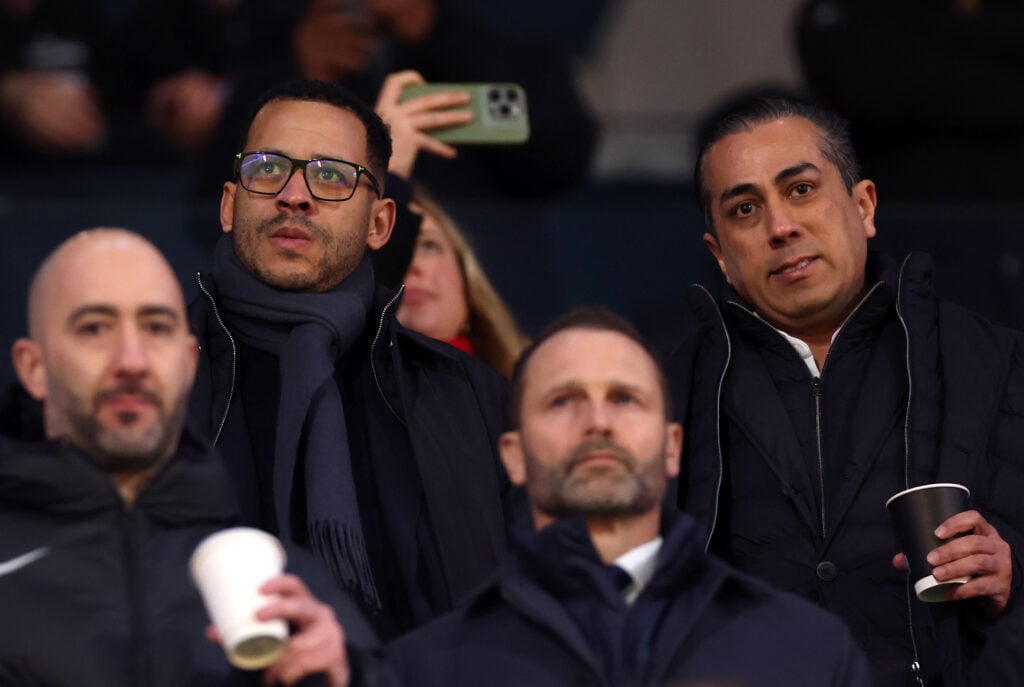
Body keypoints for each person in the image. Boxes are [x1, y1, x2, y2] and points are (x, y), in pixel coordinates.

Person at [672, 94, 1024, 686]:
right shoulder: (668, 393)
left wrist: (1013, 575)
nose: (781, 227)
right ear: (720, 255)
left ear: (863, 206)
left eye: (801, 189)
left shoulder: (999, 364)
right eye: (745, 209)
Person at [388, 307, 874, 687]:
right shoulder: (423, 671)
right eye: (563, 401)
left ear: (672, 447)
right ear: (513, 456)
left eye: (625, 399)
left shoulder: (808, 651)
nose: (598, 422)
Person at [187, 78, 515, 641]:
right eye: (268, 168)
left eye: (331, 176)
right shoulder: (161, 383)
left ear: (380, 224)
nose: (295, 195)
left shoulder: (471, 397)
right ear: (228, 204)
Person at [1, 228, 387, 687]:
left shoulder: (282, 588)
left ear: (188, 364)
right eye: (95, 328)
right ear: (34, 368)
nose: (132, 361)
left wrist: (349, 676)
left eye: (156, 328)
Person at [396, 189, 528, 378]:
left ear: (465, 276)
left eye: (428, 245)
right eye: (387, 252)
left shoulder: (538, 378)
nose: (413, 264)